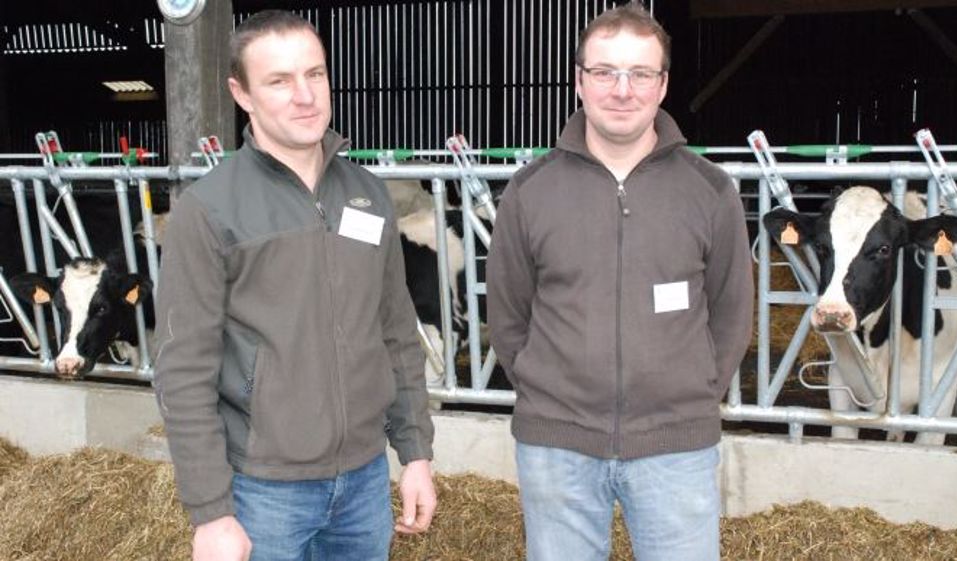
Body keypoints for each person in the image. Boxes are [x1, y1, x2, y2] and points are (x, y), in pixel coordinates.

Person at [154, 10, 436, 561]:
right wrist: (211, 512)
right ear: (242, 94)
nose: (305, 95)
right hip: (264, 489)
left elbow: (397, 332)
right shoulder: (209, 210)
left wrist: (416, 453)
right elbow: (183, 369)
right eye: (279, 81)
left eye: (315, 74)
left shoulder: (368, 194)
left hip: (363, 482)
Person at [485, 3, 753, 560]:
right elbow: (508, 316)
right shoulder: (530, 190)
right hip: (557, 448)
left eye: (641, 73)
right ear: (580, 81)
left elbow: (732, 312)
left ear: (663, 85)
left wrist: (694, 390)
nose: (622, 89)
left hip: (676, 446)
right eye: (605, 72)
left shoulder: (709, 191)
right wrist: (545, 389)